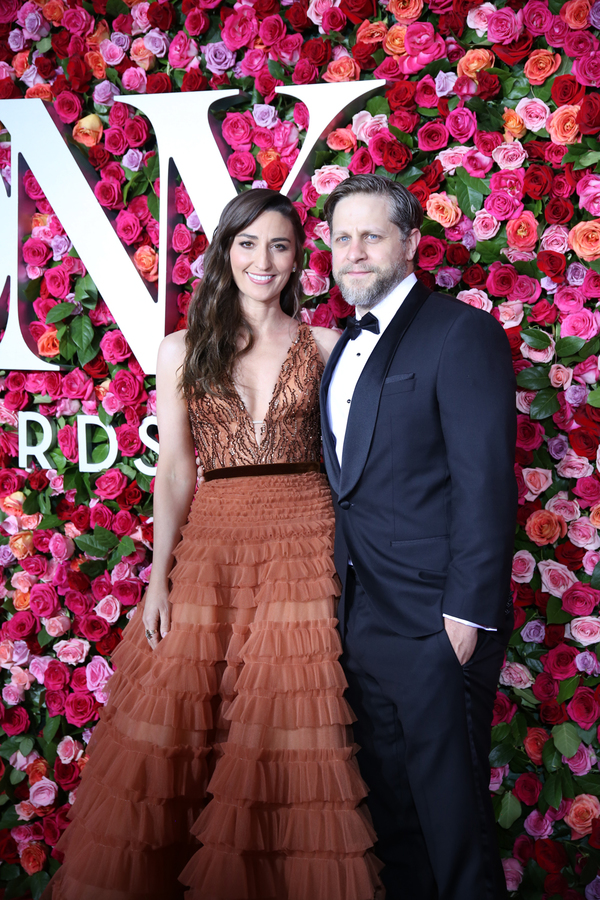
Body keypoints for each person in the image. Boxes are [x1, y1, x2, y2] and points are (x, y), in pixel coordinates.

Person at [44, 189, 382, 900]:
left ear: (298, 260)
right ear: (226, 253)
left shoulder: (327, 346)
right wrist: (158, 577)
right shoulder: (181, 350)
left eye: (281, 246)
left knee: (290, 720)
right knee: (181, 722)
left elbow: (359, 463)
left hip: (305, 541)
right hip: (215, 542)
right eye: (248, 244)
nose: (264, 260)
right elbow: (175, 470)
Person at [319, 173, 517, 900]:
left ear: (411, 243)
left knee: (452, 828)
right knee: (395, 824)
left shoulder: (461, 333)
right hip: (363, 620)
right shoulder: (343, 345)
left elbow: (486, 482)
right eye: (343, 237)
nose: (356, 251)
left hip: (437, 624)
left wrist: (464, 618)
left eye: (372, 235)